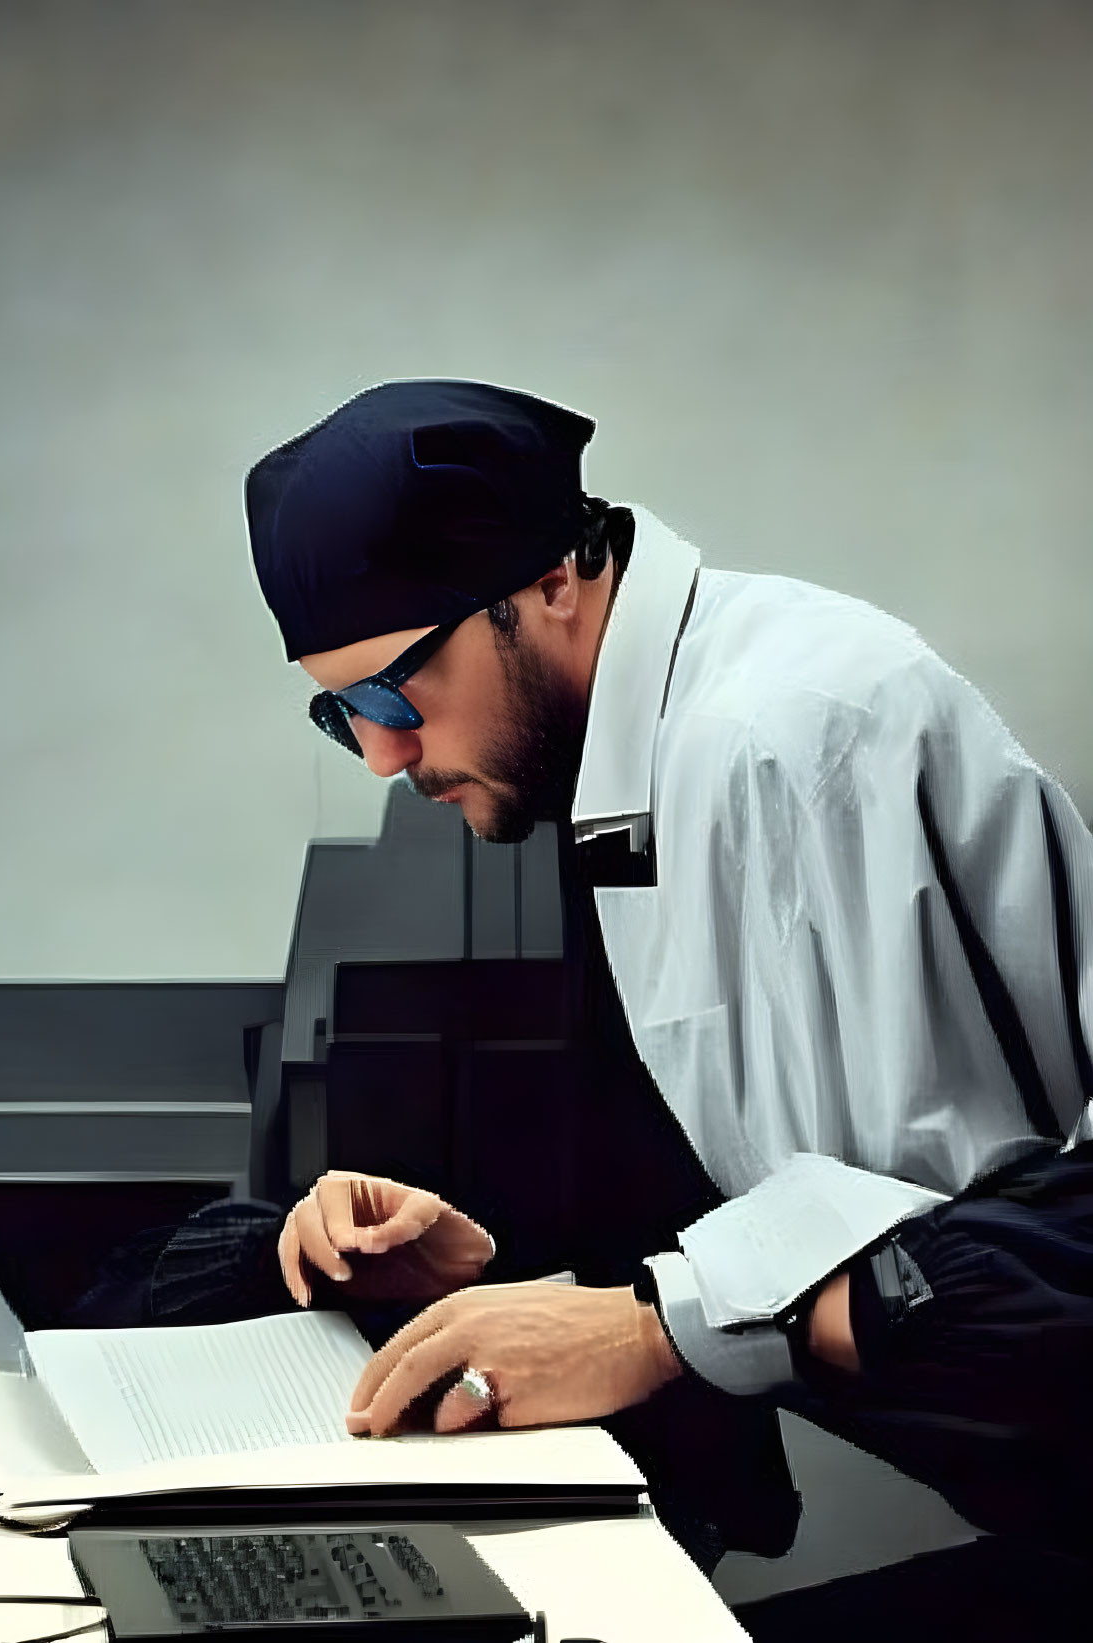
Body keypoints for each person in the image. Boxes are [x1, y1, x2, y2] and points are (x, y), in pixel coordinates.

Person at [244, 379, 1093, 1553]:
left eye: (395, 689)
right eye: (340, 714)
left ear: (551, 583)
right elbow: (779, 1200)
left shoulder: (771, 741)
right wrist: (488, 1267)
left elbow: (927, 1240)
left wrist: (639, 1323)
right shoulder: (627, 752)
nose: (384, 755)